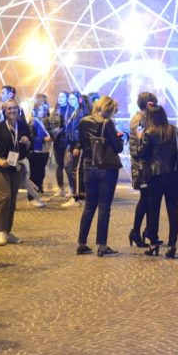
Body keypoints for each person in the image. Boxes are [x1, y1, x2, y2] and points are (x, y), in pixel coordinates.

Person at [76, 95, 125, 256]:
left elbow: (83, 143)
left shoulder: (84, 121)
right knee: (104, 207)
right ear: (109, 109)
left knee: (89, 206)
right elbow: (117, 148)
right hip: (106, 168)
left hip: (88, 166)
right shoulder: (107, 123)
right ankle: (102, 246)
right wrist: (121, 138)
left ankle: (81, 243)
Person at [138, 104, 178, 258]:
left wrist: (139, 138)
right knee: (172, 211)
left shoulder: (149, 132)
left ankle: (153, 243)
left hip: (155, 176)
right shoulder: (173, 130)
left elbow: (141, 154)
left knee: (153, 211)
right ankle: (172, 245)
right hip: (173, 175)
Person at [0, 100, 31, 246]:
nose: (12, 111)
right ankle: (0, 232)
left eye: (15, 108)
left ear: (19, 110)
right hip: (1, 166)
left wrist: (28, 143)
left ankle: (8, 232)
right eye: (9, 108)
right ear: (4, 111)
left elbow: (28, 148)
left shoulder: (23, 126)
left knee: (12, 200)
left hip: (15, 166)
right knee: (5, 196)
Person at [128, 92, 157, 247]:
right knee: (145, 199)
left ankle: (144, 231)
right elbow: (142, 141)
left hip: (143, 162)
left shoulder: (142, 118)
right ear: (149, 104)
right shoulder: (141, 119)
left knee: (147, 199)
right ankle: (137, 231)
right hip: (141, 163)